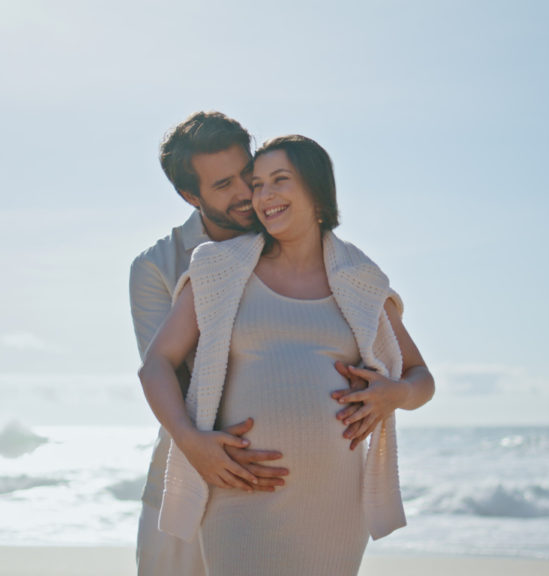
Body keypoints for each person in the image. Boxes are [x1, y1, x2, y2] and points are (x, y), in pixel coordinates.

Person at [139, 135, 435, 575]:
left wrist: (394, 395)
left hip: (334, 503)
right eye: (257, 184)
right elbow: (156, 365)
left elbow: (420, 377)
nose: (263, 195)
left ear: (316, 190)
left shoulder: (360, 280)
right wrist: (189, 438)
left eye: (280, 180)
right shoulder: (219, 268)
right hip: (240, 492)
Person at [129, 111, 291, 576]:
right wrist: (195, 445)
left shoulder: (294, 237)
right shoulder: (158, 267)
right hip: (186, 478)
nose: (245, 193)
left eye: (247, 174)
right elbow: (169, 373)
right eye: (224, 186)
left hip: (283, 478)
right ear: (189, 195)